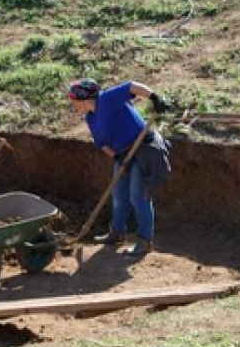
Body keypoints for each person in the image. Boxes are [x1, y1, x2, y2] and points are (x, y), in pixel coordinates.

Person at [66, 79, 173, 257]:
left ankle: (144, 241)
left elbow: (131, 86)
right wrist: (116, 156)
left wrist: (154, 97)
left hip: (143, 148)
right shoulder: (90, 117)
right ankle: (117, 233)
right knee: (119, 194)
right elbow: (101, 144)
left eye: (74, 100)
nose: (72, 104)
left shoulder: (106, 99)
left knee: (138, 197)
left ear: (85, 99)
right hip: (123, 154)